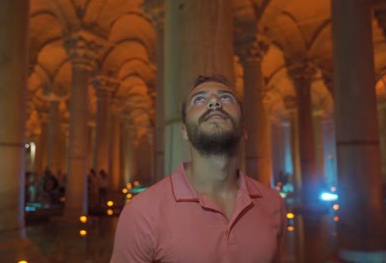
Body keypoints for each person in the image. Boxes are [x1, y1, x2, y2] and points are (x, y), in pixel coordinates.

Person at [111, 75, 286, 262]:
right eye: (200, 99)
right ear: (184, 131)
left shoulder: (273, 204)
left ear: (244, 130)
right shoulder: (142, 212)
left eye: (226, 98)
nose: (214, 103)